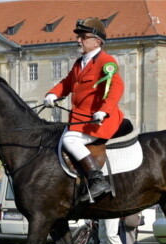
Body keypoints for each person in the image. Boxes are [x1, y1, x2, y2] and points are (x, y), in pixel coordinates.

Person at [42, 17, 125, 201]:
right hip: (80, 120)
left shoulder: (106, 61)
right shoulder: (80, 63)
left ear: (97, 41)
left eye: (83, 36)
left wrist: (104, 110)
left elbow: (116, 88)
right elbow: (67, 83)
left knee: (70, 141)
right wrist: (53, 94)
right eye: (78, 36)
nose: (78, 40)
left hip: (99, 121)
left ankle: (98, 180)